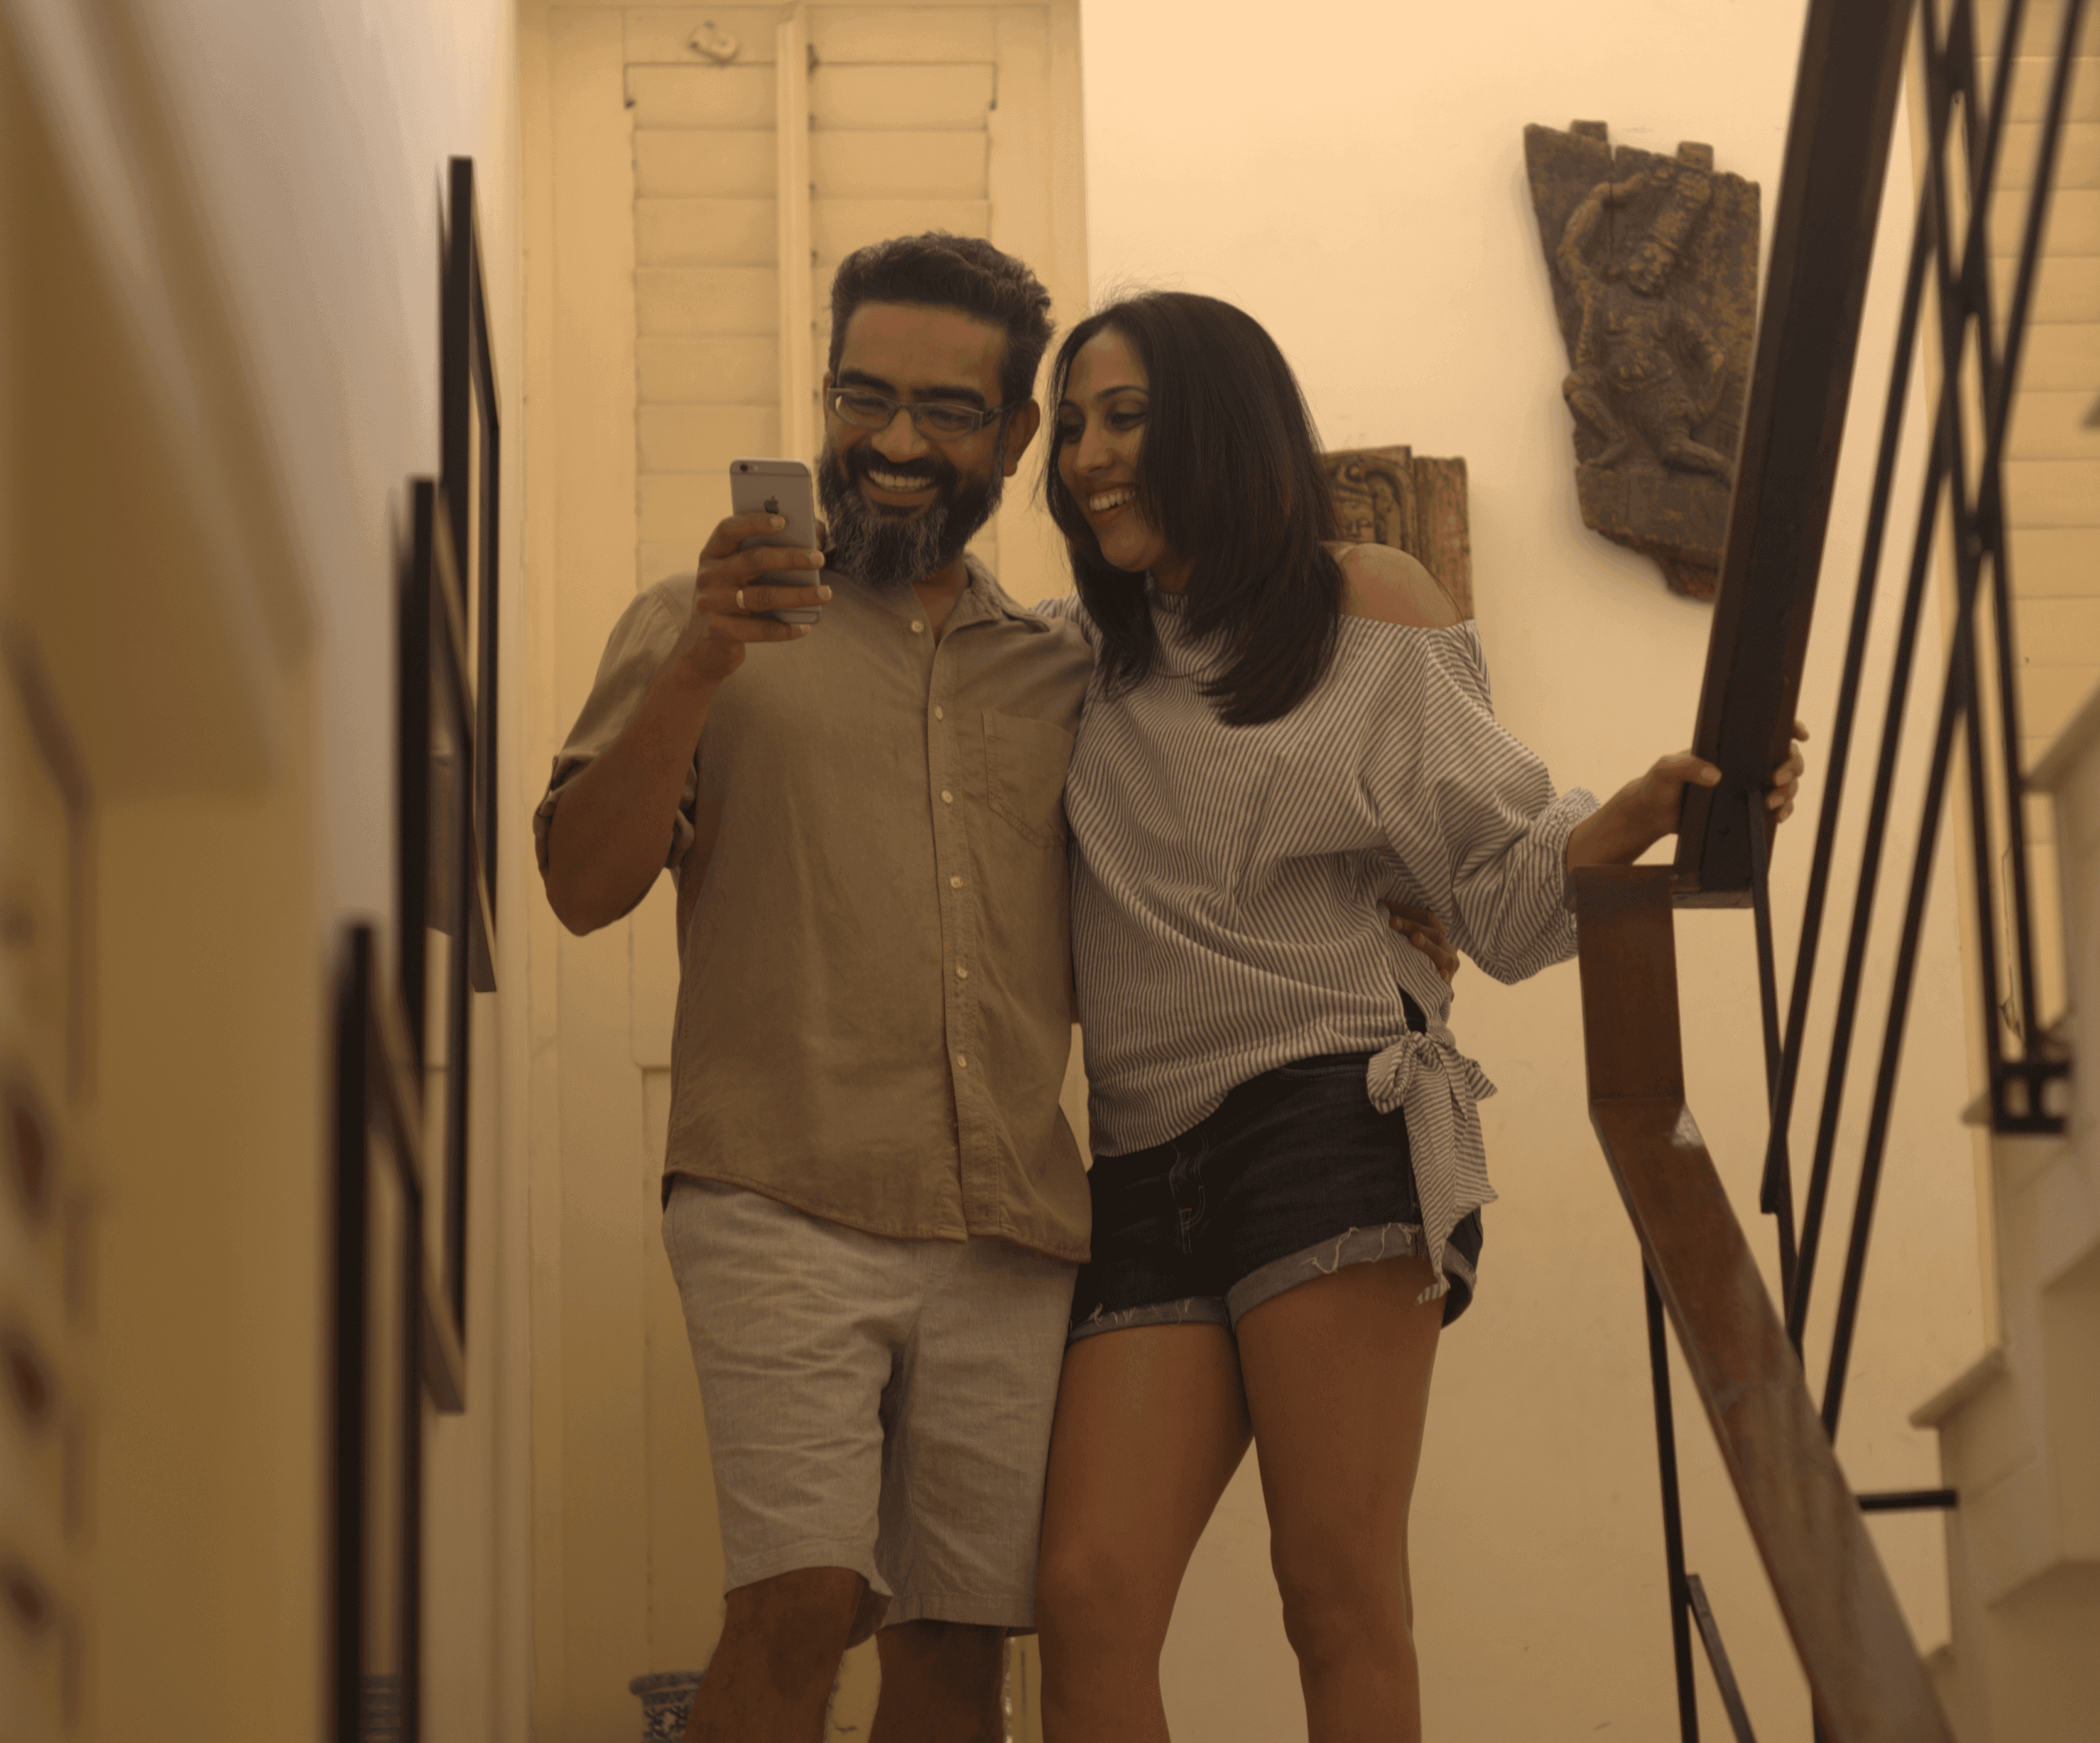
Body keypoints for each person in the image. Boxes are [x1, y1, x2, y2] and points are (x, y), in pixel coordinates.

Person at [1027, 291, 1803, 1743]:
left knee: (1334, 1591)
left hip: (1329, 1119)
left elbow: (1505, 901)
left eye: (1123, 415)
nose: (1084, 453)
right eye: (1070, 424)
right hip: (1135, 1160)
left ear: (1221, 418)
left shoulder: (1362, 604)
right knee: (1083, 1593)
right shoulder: (1072, 660)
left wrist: (1641, 813)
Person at [536, 234, 1081, 1743]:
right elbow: (580, 891)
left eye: (947, 410)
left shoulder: (1061, 673)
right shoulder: (697, 619)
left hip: (1013, 1226)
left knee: (963, 1651)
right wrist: (702, 664)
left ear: (1013, 438)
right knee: (796, 1608)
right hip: (777, 1192)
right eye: (865, 394)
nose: (897, 442)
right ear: (824, 395)